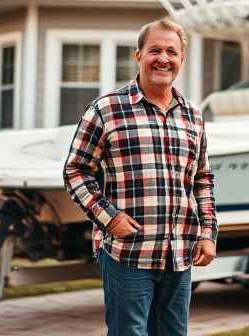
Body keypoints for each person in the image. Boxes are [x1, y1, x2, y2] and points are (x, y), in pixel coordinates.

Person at [63, 18, 217, 336]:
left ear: (182, 59)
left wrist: (207, 233)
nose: (164, 58)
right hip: (128, 254)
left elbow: (202, 178)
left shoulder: (193, 116)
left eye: (172, 52)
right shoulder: (106, 109)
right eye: (155, 50)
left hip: (179, 255)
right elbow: (75, 170)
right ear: (138, 56)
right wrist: (109, 218)